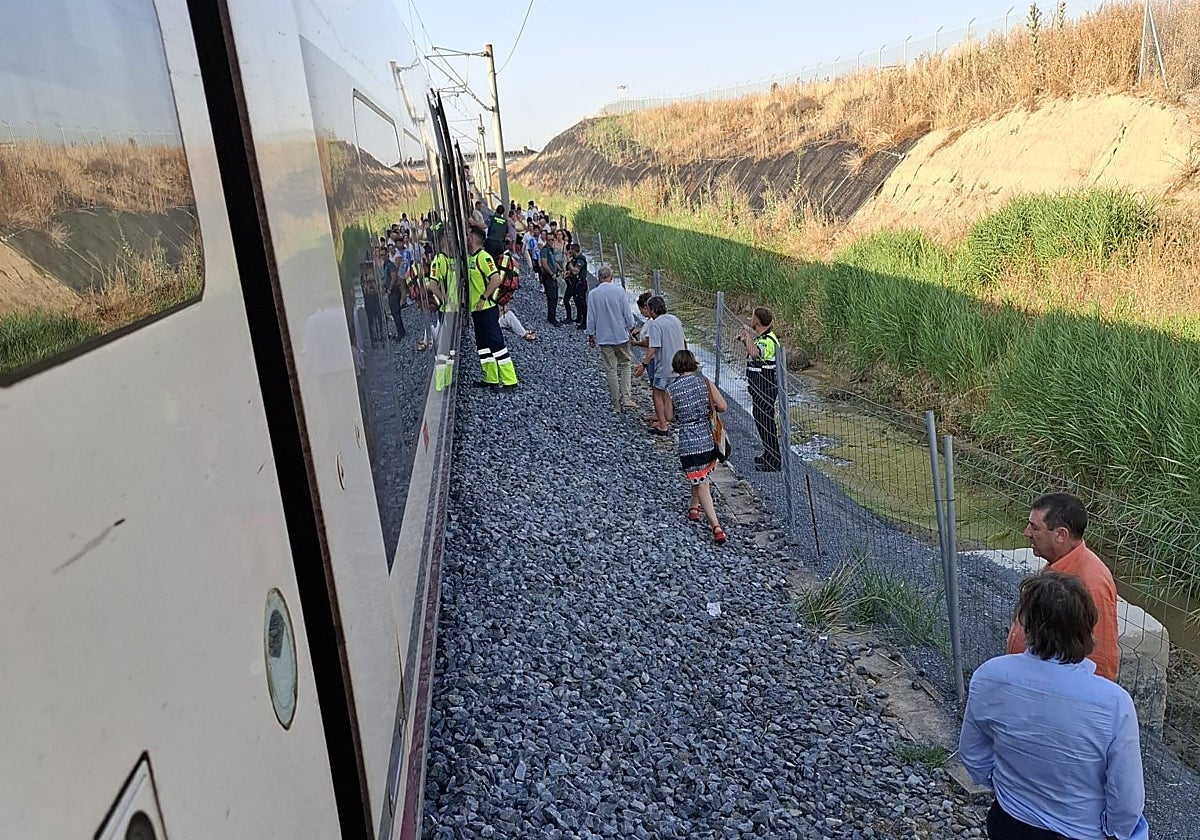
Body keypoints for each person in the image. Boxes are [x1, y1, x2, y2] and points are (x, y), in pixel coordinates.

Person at [959, 571, 1147, 840]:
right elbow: (1127, 801)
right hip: (1078, 832)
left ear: (1026, 623)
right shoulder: (1114, 703)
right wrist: (1112, 831)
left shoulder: (989, 675)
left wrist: (1007, 788)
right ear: (1087, 627)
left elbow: (973, 755)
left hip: (1010, 822)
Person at [1006, 493, 1119, 681]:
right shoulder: (1061, 564)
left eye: (1035, 527)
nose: (1027, 533)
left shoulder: (1091, 582)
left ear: (1060, 534)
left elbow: (1102, 661)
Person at [666, 349, 728, 545]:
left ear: (676, 367)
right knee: (703, 476)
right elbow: (723, 406)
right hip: (707, 438)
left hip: (688, 442)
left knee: (700, 480)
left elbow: (668, 417)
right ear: (693, 364)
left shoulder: (671, 389)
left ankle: (715, 526)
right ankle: (694, 507)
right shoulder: (705, 382)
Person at [465, 227, 518, 389]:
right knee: (483, 346)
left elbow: (495, 279)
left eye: (468, 236)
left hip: (486, 308)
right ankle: (490, 378)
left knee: (496, 344)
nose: (466, 239)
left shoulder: (483, 257)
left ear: (473, 240)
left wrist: (483, 298)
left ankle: (510, 380)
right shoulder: (469, 258)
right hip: (477, 310)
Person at [585, 264, 636, 413]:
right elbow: (627, 314)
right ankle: (626, 396)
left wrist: (590, 335)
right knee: (625, 364)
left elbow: (591, 317)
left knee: (610, 369)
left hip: (604, 336)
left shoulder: (593, 294)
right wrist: (631, 326)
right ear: (611, 277)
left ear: (599, 278)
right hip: (620, 335)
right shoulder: (619, 291)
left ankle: (616, 403)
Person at [633, 296, 685, 436]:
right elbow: (684, 341)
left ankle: (662, 425)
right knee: (666, 393)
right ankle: (667, 418)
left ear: (652, 309)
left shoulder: (656, 324)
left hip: (665, 365)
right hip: (679, 364)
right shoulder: (675, 320)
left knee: (657, 392)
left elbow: (653, 347)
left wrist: (644, 364)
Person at [738, 307, 781, 472]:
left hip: (766, 388)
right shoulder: (764, 337)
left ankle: (774, 460)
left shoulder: (767, 341)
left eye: (752, 316)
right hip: (760, 388)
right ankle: (768, 454)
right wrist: (745, 340)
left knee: (766, 422)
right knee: (761, 420)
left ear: (757, 320)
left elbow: (756, 354)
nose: (750, 318)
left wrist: (747, 335)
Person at [538, 228, 561, 325]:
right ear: (546, 240)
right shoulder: (544, 250)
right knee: (552, 297)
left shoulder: (551, 250)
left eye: (552, 239)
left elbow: (553, 262)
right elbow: (544, 263)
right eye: (549, 240)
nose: (551, 241)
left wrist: (559, 268)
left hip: (554, 276)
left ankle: (552, 316)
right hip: (548, 277)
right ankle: (552, 319)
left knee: (555, 297)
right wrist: (551, 273)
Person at [566, 242, 588, 329]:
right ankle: (579, 318)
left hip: (581, 284)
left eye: (571, 251)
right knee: (577, 301)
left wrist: (568, 261)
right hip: (576, 283)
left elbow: (575, 271)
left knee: (582, 303)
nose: (570, 252)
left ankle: (585, 322)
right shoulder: (576, 259)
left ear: (575, 250)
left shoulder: (580, 259)